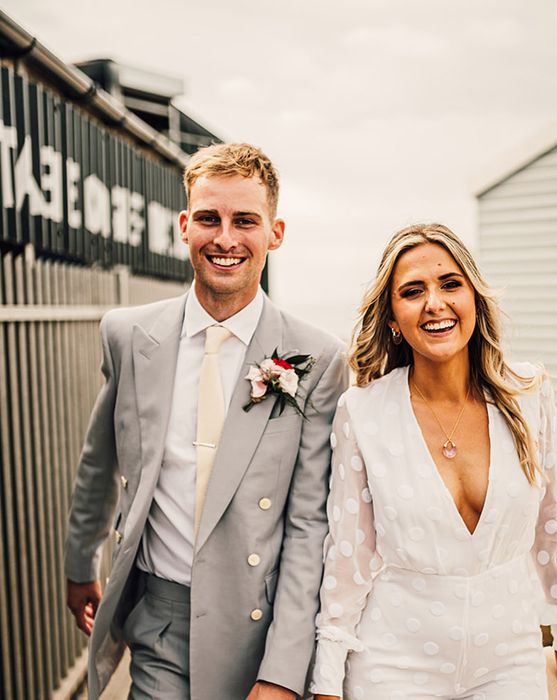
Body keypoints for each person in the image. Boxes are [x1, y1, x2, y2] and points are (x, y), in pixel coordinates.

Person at [64, 143, 347, 700]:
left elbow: (311, 524)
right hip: (159, 618)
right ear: (184, 226)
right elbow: (100, 460)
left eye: (245, 221)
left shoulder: (318, 357)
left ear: (276, 233)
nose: (225, 239)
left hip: (259, 623)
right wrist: (79, 562)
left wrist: (284, 671)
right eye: (209, 220)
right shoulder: (128, 335)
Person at [310, 223, 557, 699]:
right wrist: (326, 678)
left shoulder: (527, 393)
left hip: (509, 658)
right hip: (392, 662)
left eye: (450, 284)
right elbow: (349, 554)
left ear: (474, 299)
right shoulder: (362, 412)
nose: (435, 303)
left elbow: (553, 520)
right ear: (392, 317)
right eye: (413, 291)